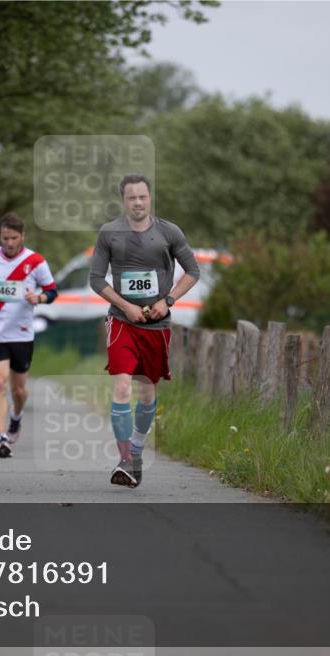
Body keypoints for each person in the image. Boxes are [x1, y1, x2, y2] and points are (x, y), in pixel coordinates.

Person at [89, 175, 200, 488]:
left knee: (147, 391)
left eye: (142, 197)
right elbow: (96, 279)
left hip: (156, 325)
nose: (137, 203)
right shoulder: (109, 233)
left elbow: (193, 271)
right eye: (131, 198)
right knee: (122, 386)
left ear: (150, 199)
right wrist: (125, 306)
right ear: (123, 201)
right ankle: (124, 460)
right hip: (122, 322)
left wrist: (168, 301)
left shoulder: (169, 231)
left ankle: (136, 448)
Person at [0, 213, 58, 458]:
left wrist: (39, 298)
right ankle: (2, 437)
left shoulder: (36, 261)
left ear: (22, 236)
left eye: (14, 238)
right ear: (0, 236)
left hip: (22, 335)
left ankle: (16, 416)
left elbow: (52, 291)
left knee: (19, 391)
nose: (10, 243)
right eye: (5, 238)